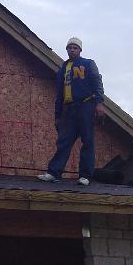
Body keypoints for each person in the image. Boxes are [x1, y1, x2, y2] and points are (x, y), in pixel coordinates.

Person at [37, 37, 104, 186]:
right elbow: (59, 94)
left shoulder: (88, 64)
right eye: (70, 48)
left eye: (75, 48)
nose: (72, 50)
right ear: (66, 50)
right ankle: (54, 173)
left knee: (87, 140)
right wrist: (57, 115)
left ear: (80, 50)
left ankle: (85, 175)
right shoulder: (63, 68)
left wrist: (99, 103)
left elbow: (97, 83)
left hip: (86, 105)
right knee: (64, 141)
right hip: (69, 109)